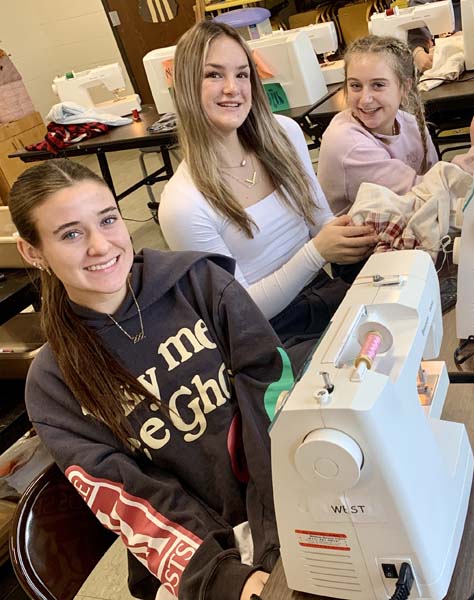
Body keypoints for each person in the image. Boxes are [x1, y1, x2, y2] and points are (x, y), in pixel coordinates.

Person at [10, 159, 296, 600]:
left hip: (286, 503)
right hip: (198, 560)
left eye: (108, 219)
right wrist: (226, 577)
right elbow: (131, 499)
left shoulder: (198, 283)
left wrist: (275, 537)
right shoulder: (52, 383)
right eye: (70, 234)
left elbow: (270, 397)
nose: (101, 245)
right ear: (33, 252)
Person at [158, 21, 377, 365]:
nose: (232, 88)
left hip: (325, 294)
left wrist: (364, 233)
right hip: (273, 336)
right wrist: (317, 252)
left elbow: (320, 222)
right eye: (214, 75)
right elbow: (239, 309)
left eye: (242, 75)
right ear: (186, 85)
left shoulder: (284, 134)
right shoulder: (183, 204)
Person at [317, 35, 474, 216]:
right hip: (369, 238)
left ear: (405, 88)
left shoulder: (409, 123)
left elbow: (433, 185)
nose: (365, 99)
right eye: (355, 86)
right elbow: (422, 198)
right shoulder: (348, 143)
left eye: (377, 85)